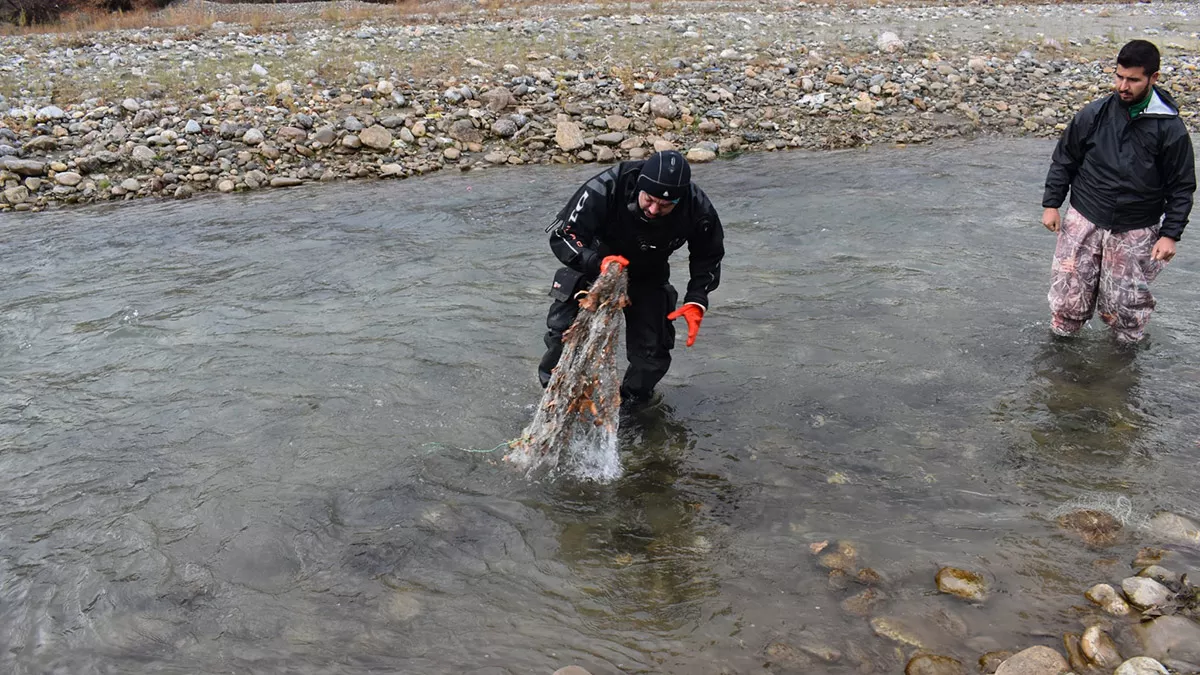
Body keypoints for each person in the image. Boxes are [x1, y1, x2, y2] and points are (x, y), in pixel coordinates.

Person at [537, 150, 724, 405]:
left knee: (653, 353)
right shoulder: (606, 186)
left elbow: (708, 255)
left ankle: (631, 411)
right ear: (639, 187)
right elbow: (563, 236)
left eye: (666, 205)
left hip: (648, 272)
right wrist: (596, 261)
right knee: (564, 336)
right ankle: (554, 398)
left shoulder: (697, 206)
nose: (654, 209)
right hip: (593, 263)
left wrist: (697, 298)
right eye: (650, 200)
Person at [1041, 39, 1196, 344]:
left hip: (1136, 227)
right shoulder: (1094, 114)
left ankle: (1120, 375)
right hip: (1084, 216)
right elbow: (1065, 159)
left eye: (1133, 80)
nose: (1123, 86)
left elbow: (1182, 187)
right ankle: (1059, 357)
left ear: (1154, 78)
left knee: (1126, 310)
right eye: (1119, 77)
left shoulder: (1170, 128)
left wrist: (1170, 234)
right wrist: (1051, 204)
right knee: (1069, 298)